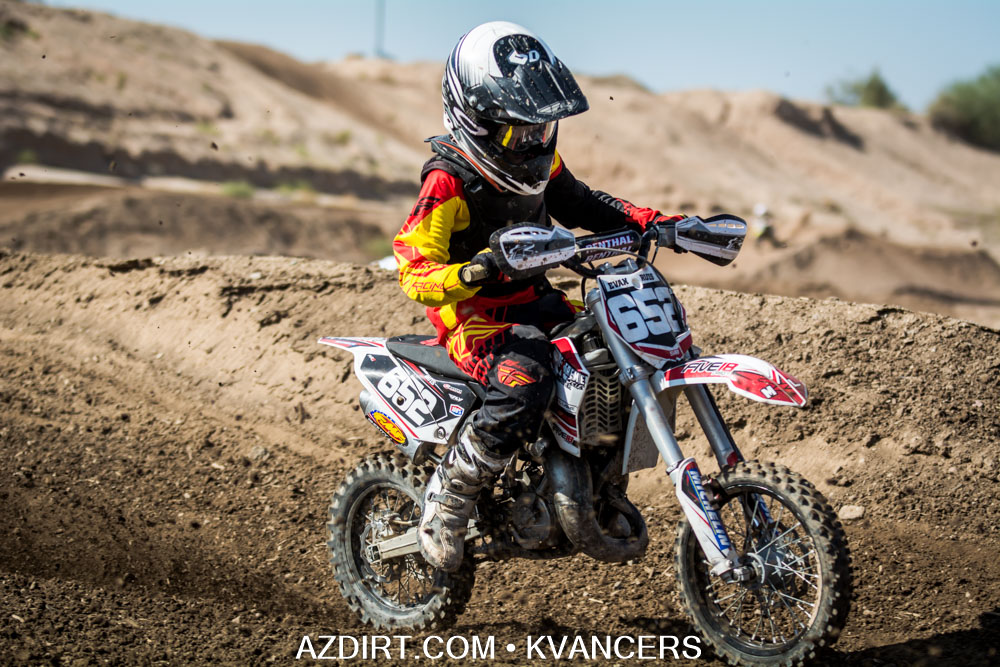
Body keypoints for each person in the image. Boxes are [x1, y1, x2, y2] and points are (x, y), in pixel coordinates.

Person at [392, 21, 685, 572]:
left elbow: (584, 203)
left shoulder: (542, 162)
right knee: (525, 379)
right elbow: (413, 267)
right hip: (477, 321)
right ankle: (449, 500)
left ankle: (596, 479)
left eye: (541, 126)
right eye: (520, 130)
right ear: (478, 121)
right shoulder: (449, 180)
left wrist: (655, 223)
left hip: (538, 302)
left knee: (609, 351)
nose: (533, 140)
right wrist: (476, 270)